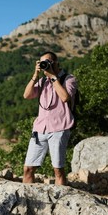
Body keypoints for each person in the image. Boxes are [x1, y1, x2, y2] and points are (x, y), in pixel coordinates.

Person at [22, 51, 77, 185]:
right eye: (42, 63)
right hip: (40, 128)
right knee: (28, 169)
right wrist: (35, 75)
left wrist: (53, 77)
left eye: (48, 62)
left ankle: (61, 201)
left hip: (60, 128)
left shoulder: (69, 79)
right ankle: (27, 201)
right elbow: (27, 95)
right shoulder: (42, 81)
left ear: (56, 63)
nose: (45, 65)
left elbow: (65, 97)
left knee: (58, 170)